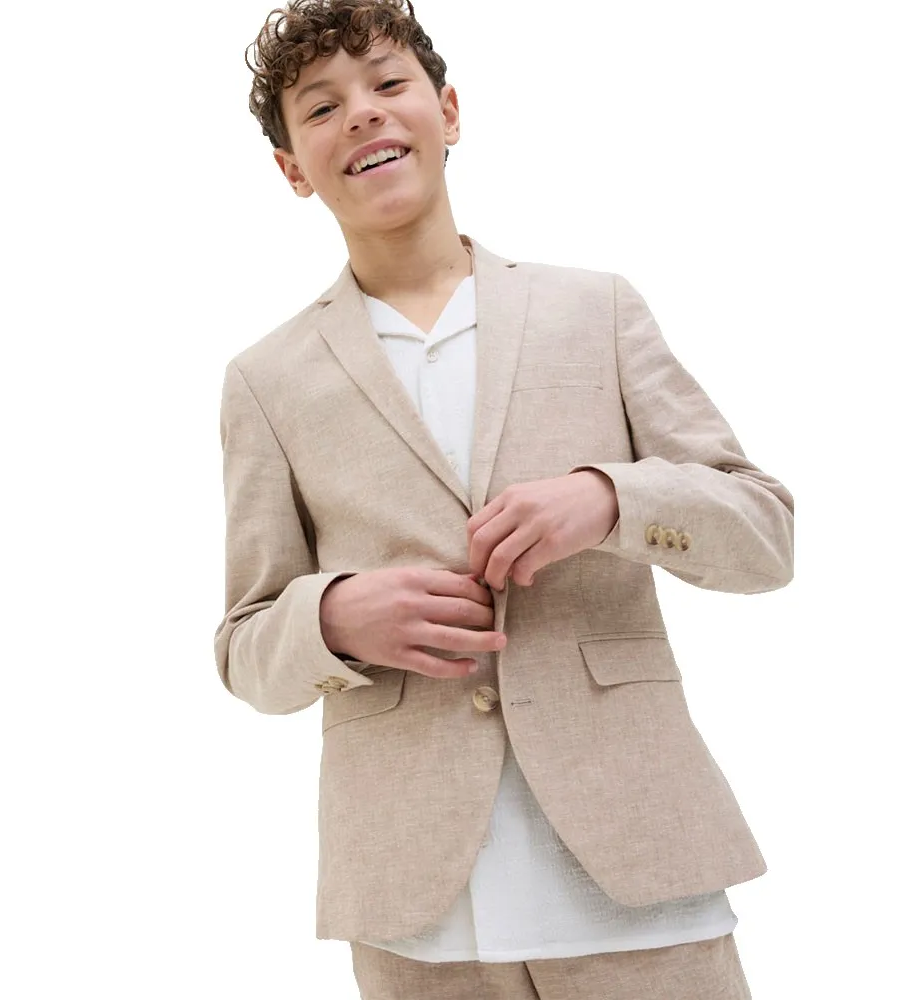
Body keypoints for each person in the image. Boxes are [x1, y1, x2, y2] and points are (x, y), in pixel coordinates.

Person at [213, 2, 794, 997]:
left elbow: (765, 535)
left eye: (387, 84)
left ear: (447, 111)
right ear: (291, 168)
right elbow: (245, 646)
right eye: (322, 107)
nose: (363, 113)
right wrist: (334, 618)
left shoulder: (595, 309)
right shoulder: (265, 380)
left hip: (637, 868)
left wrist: (608, 499)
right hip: (416, 909)